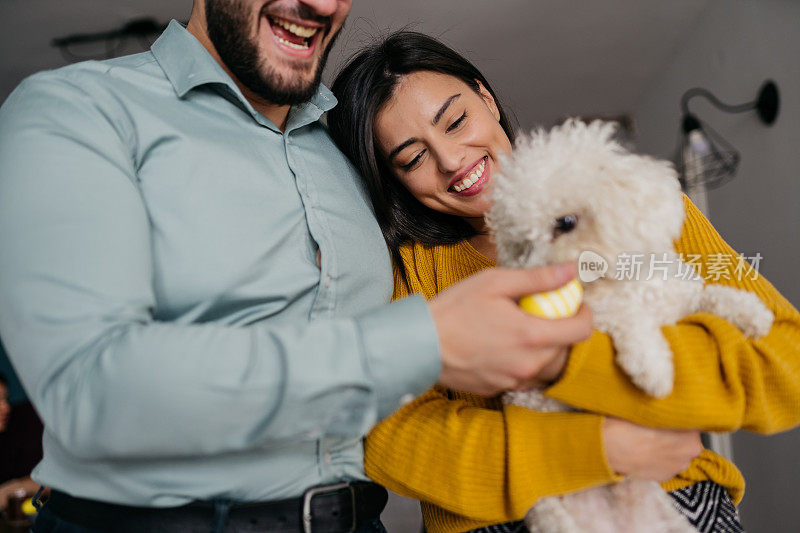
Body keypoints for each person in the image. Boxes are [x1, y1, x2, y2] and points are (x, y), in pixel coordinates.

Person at [0, 2, 607, 532]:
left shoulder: (355, 150)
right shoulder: (78, 108)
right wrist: (422, 341)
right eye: (419, 152)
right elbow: (89, 390)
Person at [327, 31, 800, 533]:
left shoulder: (628, 204)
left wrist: (569, 363)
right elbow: (389, 438)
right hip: (493, 523)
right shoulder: (409, 270)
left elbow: (784, 365)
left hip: (667, 498)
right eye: (412, 158)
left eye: (456, 120)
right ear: (393, 179)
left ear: (485, 96)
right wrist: (599, 447)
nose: (450, 159)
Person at [0, 372, 43, 513]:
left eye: (5, 399)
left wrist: (12, 489)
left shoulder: (25, 424)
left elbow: (56, 481)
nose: (6, 407)